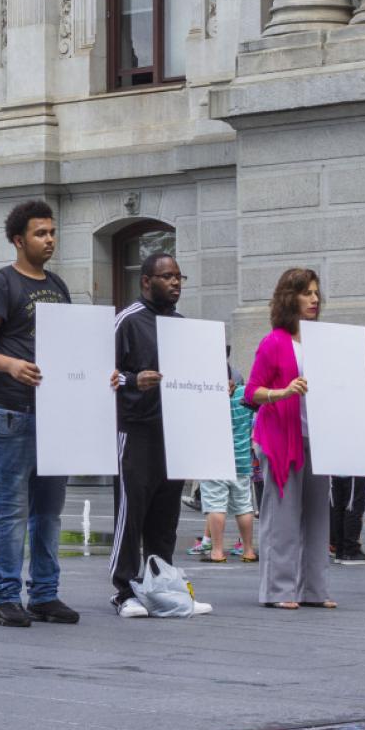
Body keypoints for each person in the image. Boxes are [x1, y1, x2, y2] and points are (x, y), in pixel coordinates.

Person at [0, 200, 81, 628]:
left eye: (52, 232)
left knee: (48, 511)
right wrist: (11, 365)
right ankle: (5, 597)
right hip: (10, 411)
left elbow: (70, 345)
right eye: (40, 233)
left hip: (54, 413)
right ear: (18, 240)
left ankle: (45, 594)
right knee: (8, 509)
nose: (49, 239)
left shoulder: (58, 285)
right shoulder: (0, 285)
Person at [110, 253, 211, 618]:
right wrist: (134, 379)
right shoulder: (127, 321)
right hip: (136, 430)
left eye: (179, 277)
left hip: (174, 433)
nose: (175, 283)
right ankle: (123, 591)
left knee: (165, 517)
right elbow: (102, 372)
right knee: (131, 513)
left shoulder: (182, 326)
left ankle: (161, 586)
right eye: (167, 277)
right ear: (146, 281)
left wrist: (220, 381)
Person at [245, 267, 335, 610]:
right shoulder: (273, 342)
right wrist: (282, 392)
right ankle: (279, 590)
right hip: (281, 437)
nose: (314, 299)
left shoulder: (322, 341)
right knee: (281, 517)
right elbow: (252, 391)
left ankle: (314, 589)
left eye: (316, 292)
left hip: (319, 437)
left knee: (317, 517)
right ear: (290, 298)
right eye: (306, 293)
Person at [197, 355, 258, 566]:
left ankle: (216, 551)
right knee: (244, 506)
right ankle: (249, 550)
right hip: (241, 459)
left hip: (213, 459)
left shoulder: (204, 396)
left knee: (216, 506)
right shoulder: (244, 394)